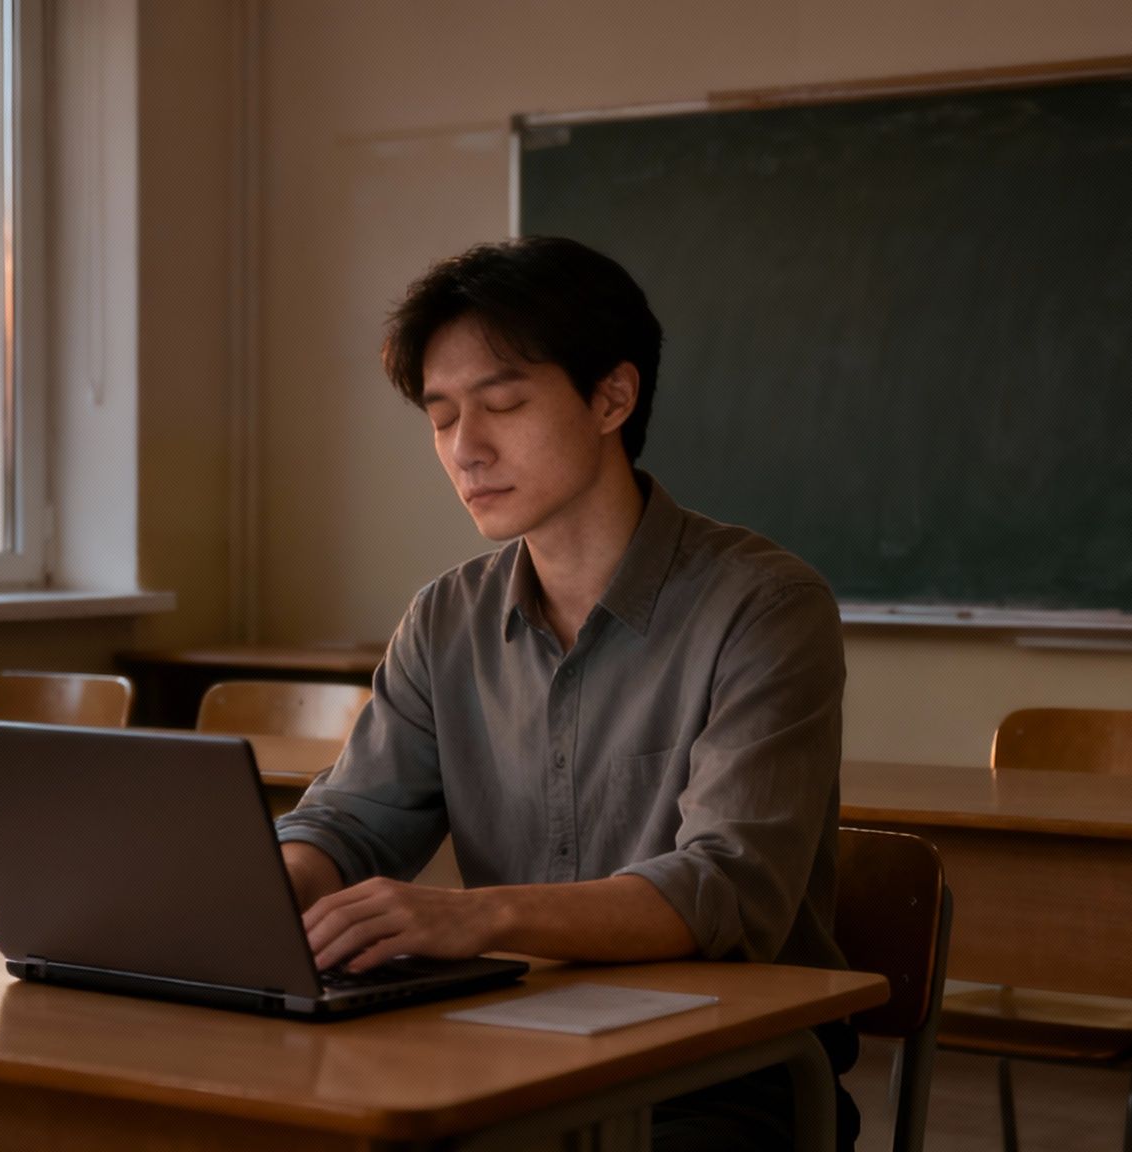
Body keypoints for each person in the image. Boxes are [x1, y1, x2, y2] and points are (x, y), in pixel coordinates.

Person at [273, 235, 856, 1151]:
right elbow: (347, 823)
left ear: (611, 397)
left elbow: (727, 890)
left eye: (503, 403)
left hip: (716, 1072)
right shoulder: (445, 618)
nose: (467, 449)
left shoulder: (766, 607)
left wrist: (474, 916)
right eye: (440, 418)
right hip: (504, 1048)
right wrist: (261, 892)